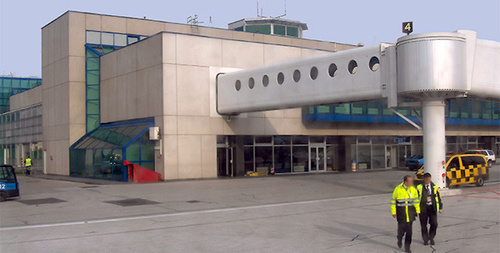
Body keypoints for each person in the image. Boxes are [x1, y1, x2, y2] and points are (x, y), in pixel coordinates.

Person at [391, 175, 420, 253]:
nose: (411, 182)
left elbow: (416, 201)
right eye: (410, 181)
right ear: (405, 182)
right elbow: (393, 201)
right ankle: (399, 239)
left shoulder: (413, 189)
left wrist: (418, 211)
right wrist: (393, 212)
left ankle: (407, 247)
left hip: (410, 214)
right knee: (401, 231)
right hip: (401, 214)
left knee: (409, 232)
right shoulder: (397, 189)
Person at [416, 173, 443, 246]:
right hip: (423, 208)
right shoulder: (419, 187)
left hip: (432, 208)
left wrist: (440, 207)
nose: (428, 180)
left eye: (429, 179)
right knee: (423, 225)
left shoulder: (434, 186)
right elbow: (415, 199)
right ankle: (425, 239)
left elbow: (439, 197)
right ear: (424, 179)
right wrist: (416, 209)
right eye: (426, 179)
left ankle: (431, 237)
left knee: (434, 223)